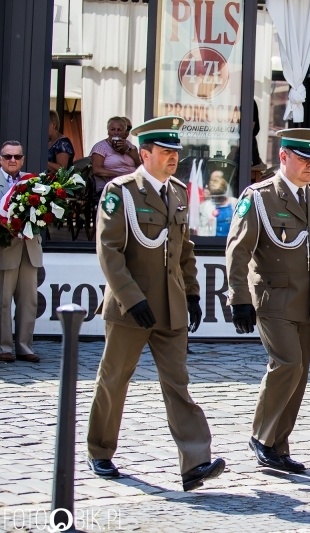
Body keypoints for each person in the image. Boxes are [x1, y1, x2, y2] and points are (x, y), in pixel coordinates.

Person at [86, 116, 225, 491]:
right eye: (164, 152)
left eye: (175, 152)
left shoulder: (178, 192)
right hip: (131, 307)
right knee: (114, 379)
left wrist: (193, 294)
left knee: (178, 383)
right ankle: (100, 451)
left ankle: (196, 461)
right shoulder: (121, 191)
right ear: (144, 154)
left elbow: (184, 251)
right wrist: (132, 299)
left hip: (170, 306)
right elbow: (109, 252)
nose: (172, 158)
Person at [226, 128, 310, 473]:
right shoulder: (260, 196)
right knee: (287, 364)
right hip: (272, 297)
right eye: (303, 158)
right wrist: (239, 298)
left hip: (308, 301)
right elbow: (238, 250)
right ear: (283, 157)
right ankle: (261, 437)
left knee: (300, 374)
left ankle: (279, 445)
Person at [0, 141, 42, 363]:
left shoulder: (34, 181)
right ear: (1, 159)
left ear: (23, 159)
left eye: (17, 157)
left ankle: (25, 346)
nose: (12, 160)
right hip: (5, 249)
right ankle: (3, 346)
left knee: (29, 301)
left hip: (30, 248)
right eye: (8, 157)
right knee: (3, 300)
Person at [90, 116, 142, 192]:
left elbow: (139, 165)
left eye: (119, 130)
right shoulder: (101, 147)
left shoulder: (130, 146)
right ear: (108, 131)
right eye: (112, 129)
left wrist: (127, 150)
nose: (116, 132)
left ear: (124, 132)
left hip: (132, 184)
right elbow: (96, 169)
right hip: (112, 186)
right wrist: (120, 174)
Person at [197, 170, 237, 237]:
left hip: (231, 242)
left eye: (220, 196)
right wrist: (208, 225)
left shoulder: (234, 203)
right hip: (214, 243)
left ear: (225, 191)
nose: (218, 199)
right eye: (216, 196)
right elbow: (202, 232)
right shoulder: (206, 207)